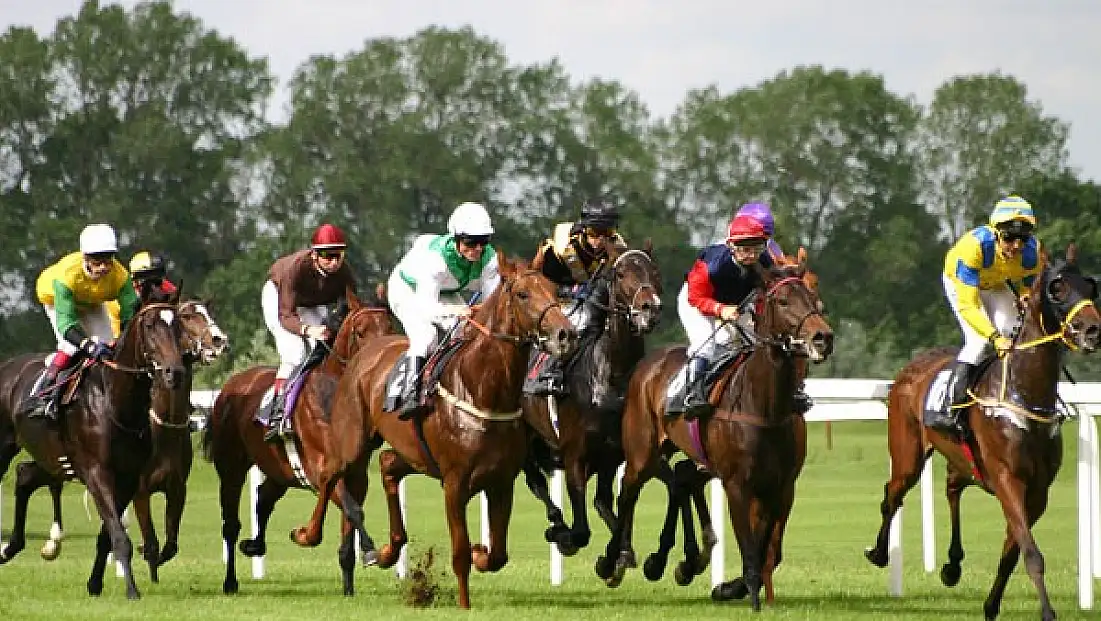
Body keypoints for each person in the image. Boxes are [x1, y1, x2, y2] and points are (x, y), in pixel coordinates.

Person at [933, 195, 1041, 435]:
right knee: (979, 342)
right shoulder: (973, 248)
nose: (1016, 246)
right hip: (961, 284)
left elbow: (1028, 282)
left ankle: (1013, 398)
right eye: (1009, 238)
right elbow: (969, 306)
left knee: (1016, 334)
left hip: (995, 284)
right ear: (996, 232)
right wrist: (995, 338)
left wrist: (1025, 293)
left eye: (1022, 239)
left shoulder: (1032, 252)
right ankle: (949, 406)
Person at [386, 201, 502, 418]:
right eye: (471, 242)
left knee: (465, 334)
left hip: (446, 292)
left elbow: (491, 303)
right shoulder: (436, 260)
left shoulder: (489, 258)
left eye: (483, 242)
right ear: (456, 238)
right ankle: (409, 392)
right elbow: (426, 306)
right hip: (408, 290)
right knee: (426, 337)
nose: (477, 249)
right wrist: (457, 312)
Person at [26, 223, 140, 420]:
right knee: (71, 346)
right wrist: (86, 344)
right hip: (55, 299)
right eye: (97, 260)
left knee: (109, 346)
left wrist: (123, 338)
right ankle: (44, 393)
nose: (104, 266)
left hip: (92, 302)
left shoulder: (120, 276)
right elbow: (66, 324)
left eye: (108, 259)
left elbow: (129, 314)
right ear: (85, 257)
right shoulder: (67, 275)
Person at [260, 223, 356, 441]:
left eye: (338, 255)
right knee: (295, 354)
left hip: (311, 302)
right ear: (314, 255)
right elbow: (286, 315)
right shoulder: (295, 269)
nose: (334, 262)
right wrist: (308, 329)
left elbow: (352, 305)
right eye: (327, 255)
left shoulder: (344, 272)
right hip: (280, 299)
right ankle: (276, 412)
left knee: (324, 350)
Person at [524, 198, 625, 398]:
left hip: (585, 298)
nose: (600, 241)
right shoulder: (563, 246)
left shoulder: (616, 248)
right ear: (583, 230)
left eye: (607, 234)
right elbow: (543, 279)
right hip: (550, 295)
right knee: (576, 322)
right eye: (594, 234)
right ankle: (550, 373)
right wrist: (563, 296)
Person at [672, 214, 771, 419]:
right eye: (745, 249)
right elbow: (696, 297)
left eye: (757, 248)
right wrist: (719, 309)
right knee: (706, 345)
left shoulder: (764, 262)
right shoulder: (713, 265)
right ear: (732, 247)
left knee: (758, 345)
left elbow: (765, 292)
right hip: (697, 301)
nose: (752, 255)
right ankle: (692, 393)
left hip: (737, 302)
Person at [733, 201, 814, 414]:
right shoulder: (729, 247)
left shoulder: (770, 249)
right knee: (720, 346)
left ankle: (795, 388)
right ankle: (692, 392)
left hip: (753, 302)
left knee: (786, 345)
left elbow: (781, 275)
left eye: (765, 236)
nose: (762, 243)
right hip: (717, 301)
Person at [107, 251, 179, 336]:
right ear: (134, 281)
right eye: (146, 282)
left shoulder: (169, 289)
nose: (153, 287)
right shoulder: (118, 301)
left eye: (156, 281)